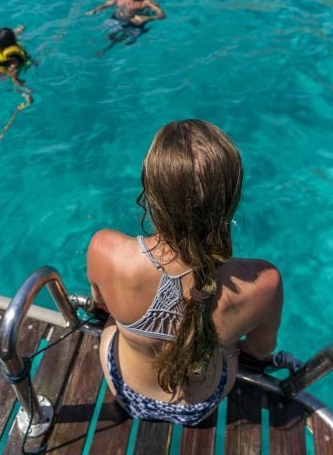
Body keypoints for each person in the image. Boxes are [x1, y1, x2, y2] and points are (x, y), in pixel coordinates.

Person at [87, 119, 283, 425]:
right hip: (199, 405)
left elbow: (99, 304)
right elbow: (259, 350)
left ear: (150, 192)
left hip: (126, 390)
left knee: (113, 321)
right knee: (224, 347)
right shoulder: (264, 283)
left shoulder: (106, 250)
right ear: (231, 199)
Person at [87, 0, 166, 51]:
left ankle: (105, 50)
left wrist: (148, 18)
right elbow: (105, 5)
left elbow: (162, 15)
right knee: (102, 32)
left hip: (134, 26)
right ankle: (94, 44)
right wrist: (95, 10)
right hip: (117, 19)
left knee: (124, 42)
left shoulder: (146, 2)